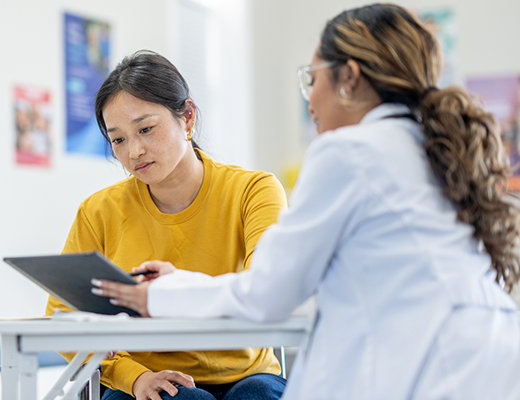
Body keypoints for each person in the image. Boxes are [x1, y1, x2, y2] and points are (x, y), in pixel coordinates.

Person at [93, 4, 520, 400]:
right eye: (118, 139)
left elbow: (268, 292)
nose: (309, 99)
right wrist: (178, 284)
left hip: (433, 362)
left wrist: (159, 296)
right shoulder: (433, 145)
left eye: (312, 79)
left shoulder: (348, 153)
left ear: (348, 78)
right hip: (484, 354)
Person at [46, 50, 289, 400]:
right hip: (142, 380)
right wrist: (131, 375)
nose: (134, 151)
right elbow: (62, 313)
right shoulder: (99, 210)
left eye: (145, 129)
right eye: (118, 139)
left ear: (187, 117)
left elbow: (267, 288)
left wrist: (177, 290)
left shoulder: (253, 190)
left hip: (245, 374)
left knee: (258, 395)